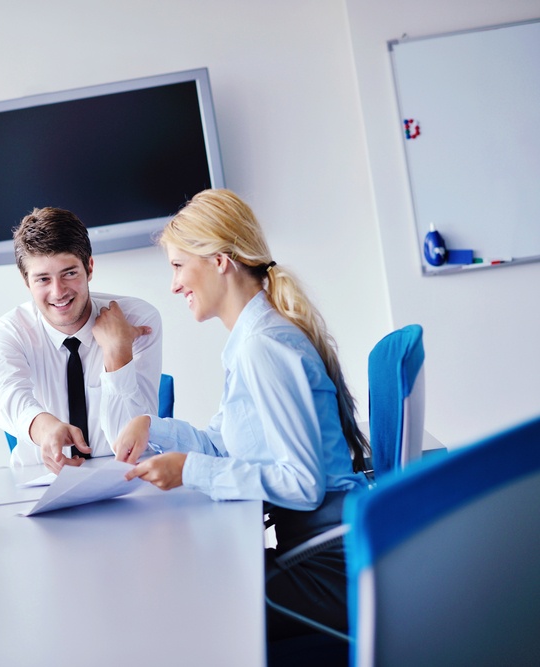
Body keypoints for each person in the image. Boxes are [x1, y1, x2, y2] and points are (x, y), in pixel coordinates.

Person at [112, 189, 368, 645]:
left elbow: (304, 484)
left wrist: (191, 470)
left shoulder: (262, 346)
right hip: (320, 550)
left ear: (219, 260)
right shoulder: (251, 339)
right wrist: (153, 427)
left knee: (198, 611)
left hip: (330, 561)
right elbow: (229, 441)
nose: (173, 285)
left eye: (177, 266)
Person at [0, 207, 163, 473]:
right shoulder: (10, 332)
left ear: (89, 267)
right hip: (39, 481)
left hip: (123, 477)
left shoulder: (137, 319)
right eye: (43, 279)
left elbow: (127, 445)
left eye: (69, 273)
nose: (58, 292)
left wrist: (117, 352)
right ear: (26, 281)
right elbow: (6, 396)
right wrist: (44, 428)